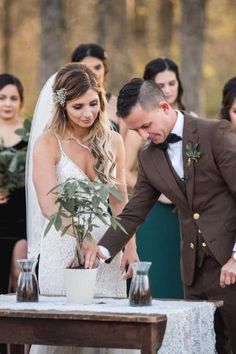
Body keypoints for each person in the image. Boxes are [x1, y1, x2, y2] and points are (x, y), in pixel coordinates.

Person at [86, 78, 236, 354]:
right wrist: (101, 251)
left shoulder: (215, 133)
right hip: (193, 274)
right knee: (202, 346)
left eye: (145, 126)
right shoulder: (149, 158)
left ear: (165, 106)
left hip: (231, 267)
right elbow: (134, 210)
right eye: (135, 130)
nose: (143, 136)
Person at [28, 63, 139, 354]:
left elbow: (119, 203)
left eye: (93, 103)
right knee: (64, 333)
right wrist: (82, 236)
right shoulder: (48, 143)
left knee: (109, 332)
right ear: (62, 105)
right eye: (78, 107)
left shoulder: (113, 140)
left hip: (105, 249)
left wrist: (129, 248)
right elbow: (49, 205)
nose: (88, 113)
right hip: (64, 244)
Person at [124, 58, 192, 298]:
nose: (168, 89)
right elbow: (122, 170)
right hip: (154, 212)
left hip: (185, 216)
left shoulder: (192, 120)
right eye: (160, 85)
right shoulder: (140, 129)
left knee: (182, 274)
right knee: (159, 276)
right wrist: (159, 188)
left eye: (172, 83)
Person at [0, 73, 27, 354]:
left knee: (20, 276)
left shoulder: (28, 132)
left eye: (13, 98)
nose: (7, 103)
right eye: (2, 98)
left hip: (21, 216)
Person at [71, 43, 128, 138]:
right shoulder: (69, 105)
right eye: (86, 68)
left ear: (105, 69)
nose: (93, 73)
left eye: (97, 67)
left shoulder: (120, 105)